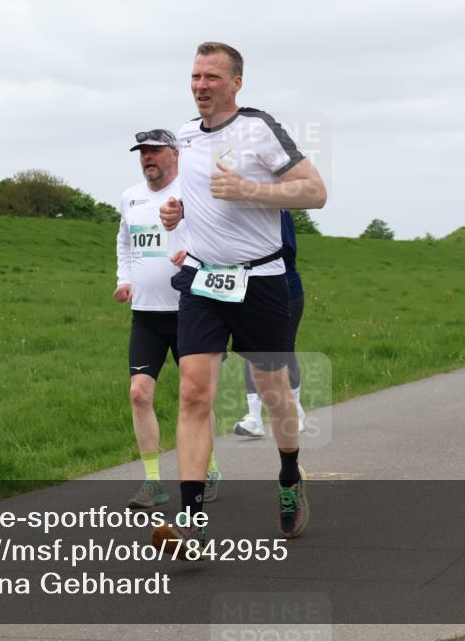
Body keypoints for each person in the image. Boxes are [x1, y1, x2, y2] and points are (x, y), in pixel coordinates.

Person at [153, 42, 326, 552]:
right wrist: (176, 211)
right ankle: (191, 520)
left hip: (262, 281)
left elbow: (315, 192)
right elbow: (200, 196)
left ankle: (290, 477)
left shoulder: (259, 128)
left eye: (211, 77)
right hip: (205, 283)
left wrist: (254, 191)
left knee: (273, 393)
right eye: (195, 76)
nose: (200, 85)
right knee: (193, 394)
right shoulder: (185, 134)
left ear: (236, 83)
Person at [114, 129, 221, 508]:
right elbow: (125, 242)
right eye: (142, 152)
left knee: (196, 397)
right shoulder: (131, 197)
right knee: (139, 394)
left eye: (155, 151)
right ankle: (153, 481)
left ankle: (207, 470)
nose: (148, 158)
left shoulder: (194, 193)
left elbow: (217, 237)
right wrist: (123, 280)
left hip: (192, 310)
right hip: (145, 314)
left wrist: (190, 254)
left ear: (174, 154)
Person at [234, 210, 306, 437]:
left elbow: (286, 252)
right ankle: (254, 418)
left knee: (283, 350)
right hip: (251, 290)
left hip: (286, 292)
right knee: (252, 350)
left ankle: (296, 409)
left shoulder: (278, 212)